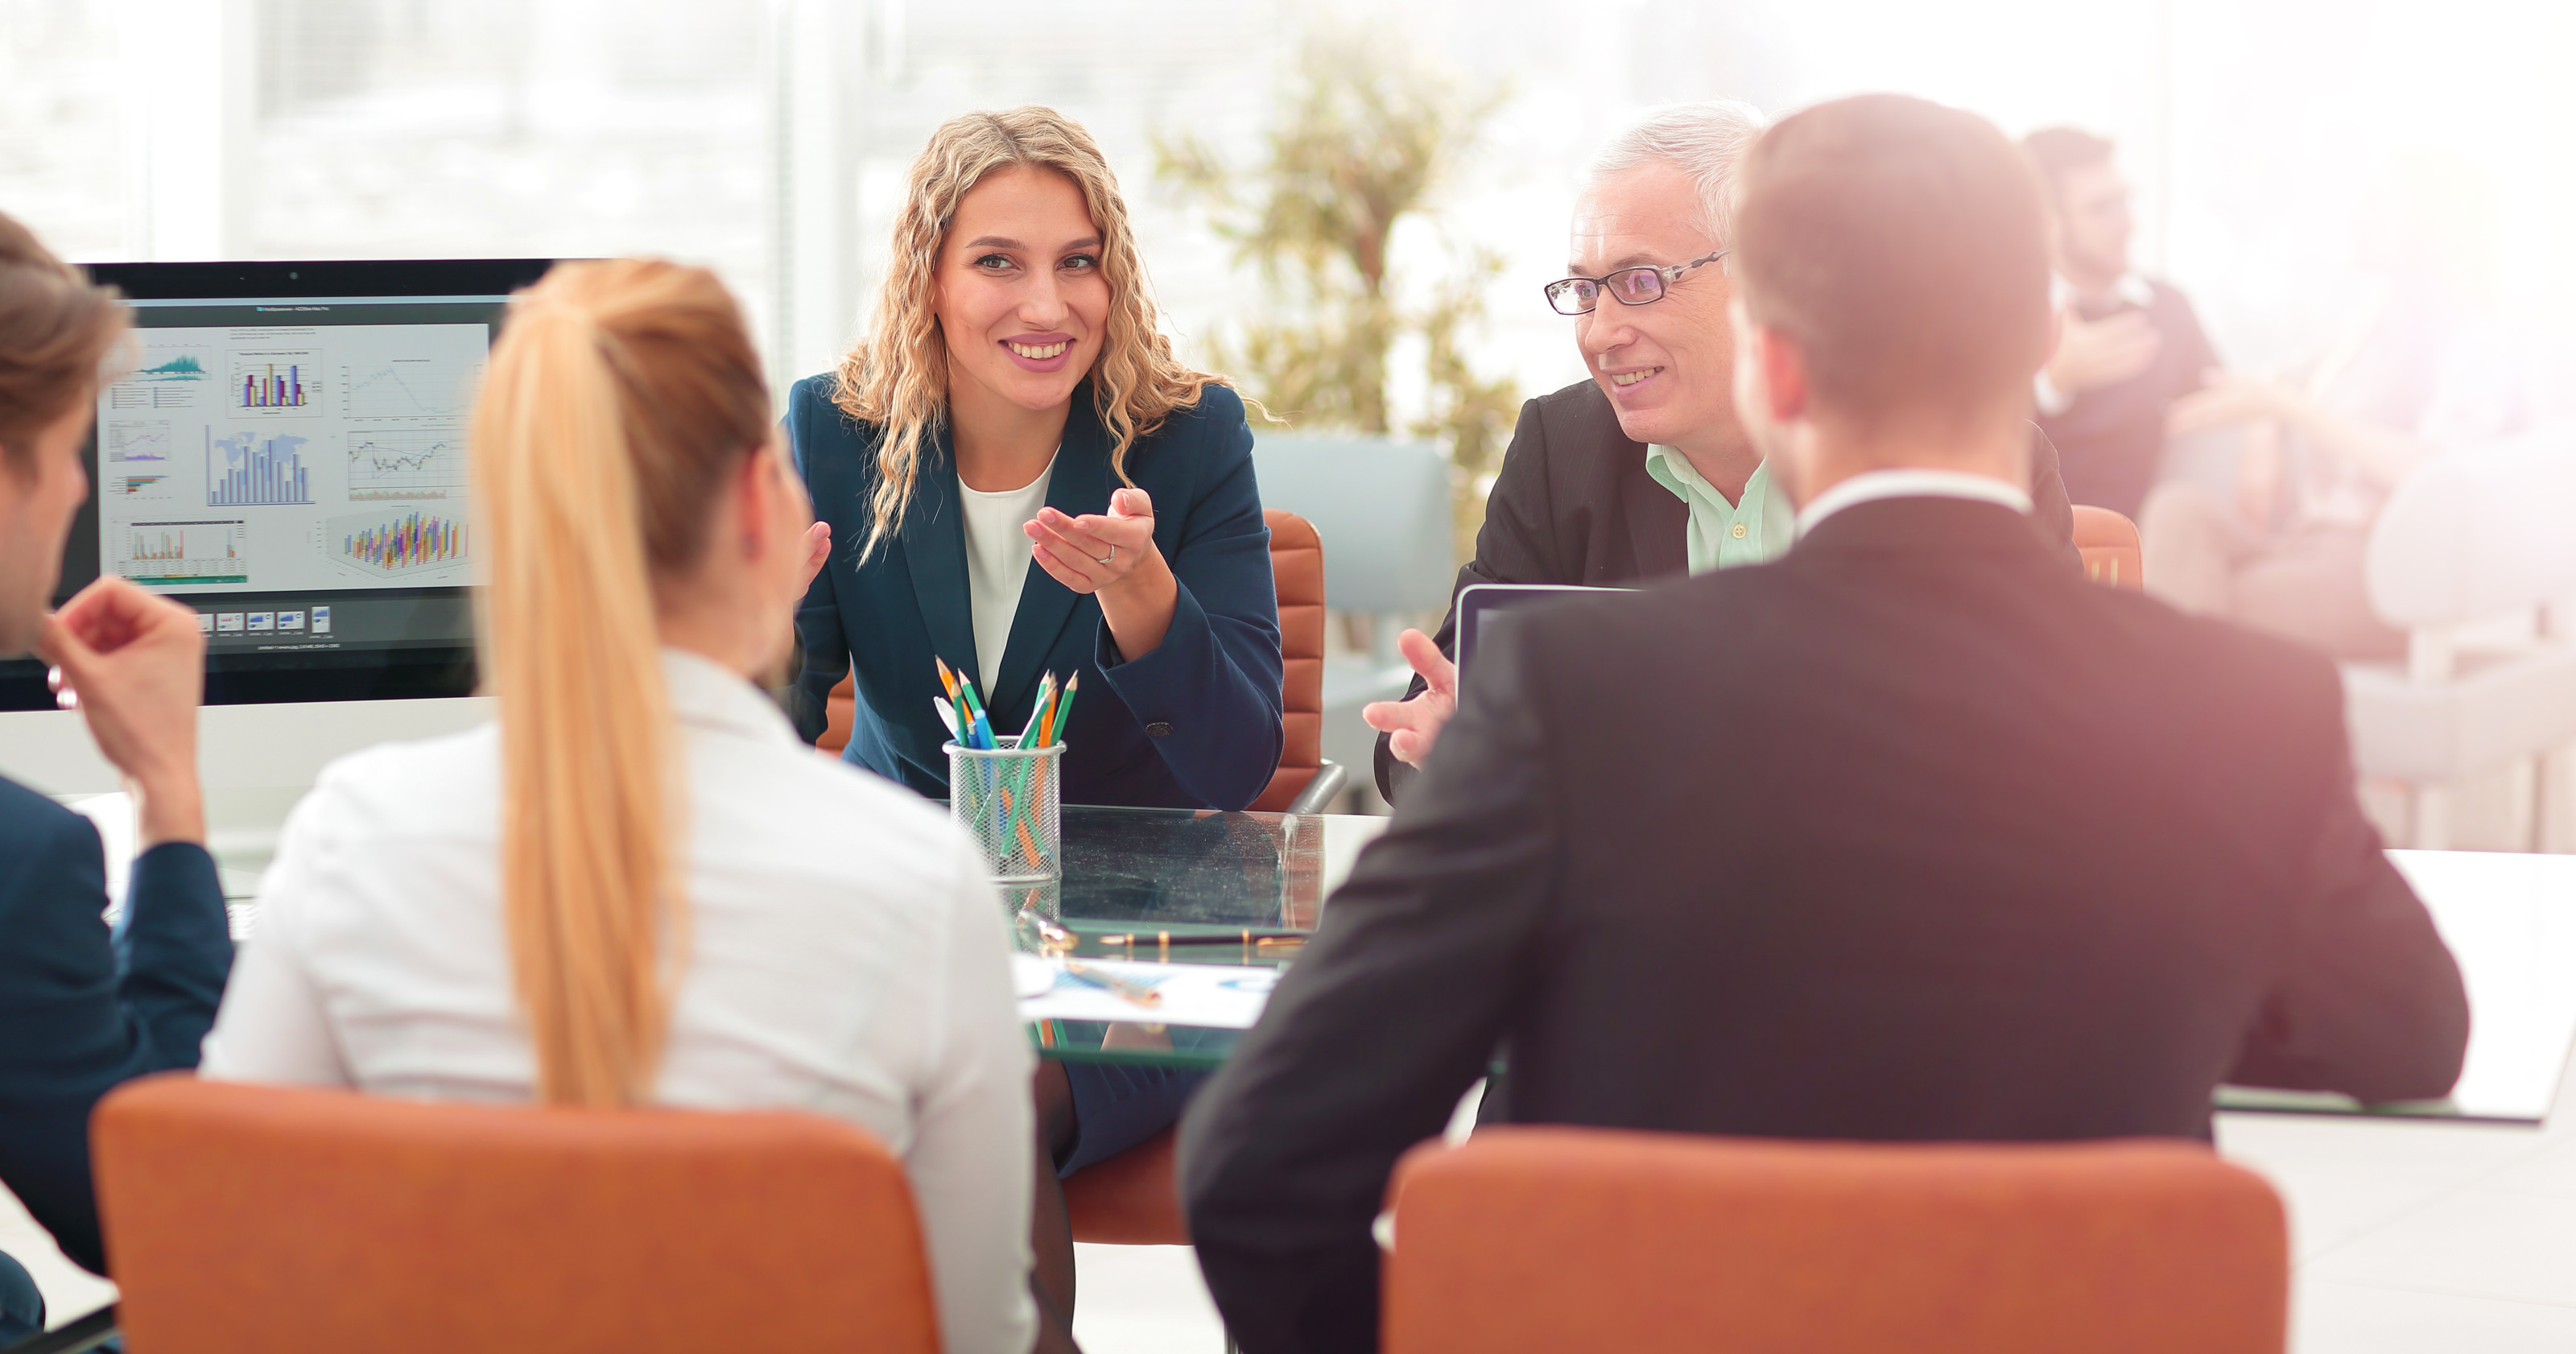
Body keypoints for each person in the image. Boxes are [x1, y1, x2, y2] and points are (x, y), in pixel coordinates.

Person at [1180, 94, 2470, 1354]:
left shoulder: (1566, 691)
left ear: (1772, 361)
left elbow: (1258, 1162)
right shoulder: (2253, 708)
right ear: (2037, 339)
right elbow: (2407, 1031)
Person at [199, 261, 1040, 1354]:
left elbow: (231, 1263)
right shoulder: (917, 885)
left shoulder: (350, 842)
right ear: (753, 505)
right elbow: (976, 1331)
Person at [784, 105, 1279, 1340]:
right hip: (914, 924)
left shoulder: (1188, 439)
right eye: (998, 261)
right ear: (931, 279)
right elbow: (774, 720)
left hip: (1144, 941)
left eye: (1077, 261)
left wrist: (1144, 599)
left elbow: (1235, 763)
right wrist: (743, 625)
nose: (1044, 303)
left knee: (973, 1096)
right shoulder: (834, 438)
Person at [1364, 99, 2082, 804]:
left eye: (1640, 282)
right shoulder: (1562, 448)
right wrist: (1446, 748)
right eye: (1584, 290)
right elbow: (1424, 724)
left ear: (1761, 278)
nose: (1598, 332)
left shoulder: (1949, 453)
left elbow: (2055, 735)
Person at [0, 213, 233, 1314]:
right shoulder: (22, 859)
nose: (77, 493)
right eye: (59, 453)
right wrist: (168, 796)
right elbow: (163, 1203)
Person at [2140, 147, 2532, 660]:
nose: (2356, 211)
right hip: (2307, 550)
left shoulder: (2478, 339)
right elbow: (2280, 379)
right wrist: (2266, 427)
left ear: (2426, 224)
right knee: (2177, 511)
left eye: (2378, 199)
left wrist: (2293, 410)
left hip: (2388, 572)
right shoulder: (2371, 328)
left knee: (2193, 612)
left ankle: (2166, 728)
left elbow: (2436, 469)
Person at [2023, 126, 2219, 520]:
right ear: (2048, 222)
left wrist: (2265, 432)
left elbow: (2221, 396)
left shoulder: (2167, 309)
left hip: (2144, 550)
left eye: (2125, 202)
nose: (2128, 224)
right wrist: (2052, 382)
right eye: (2101, 209)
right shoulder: (2009, 314)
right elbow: (1962, 448)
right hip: (2039, 552)